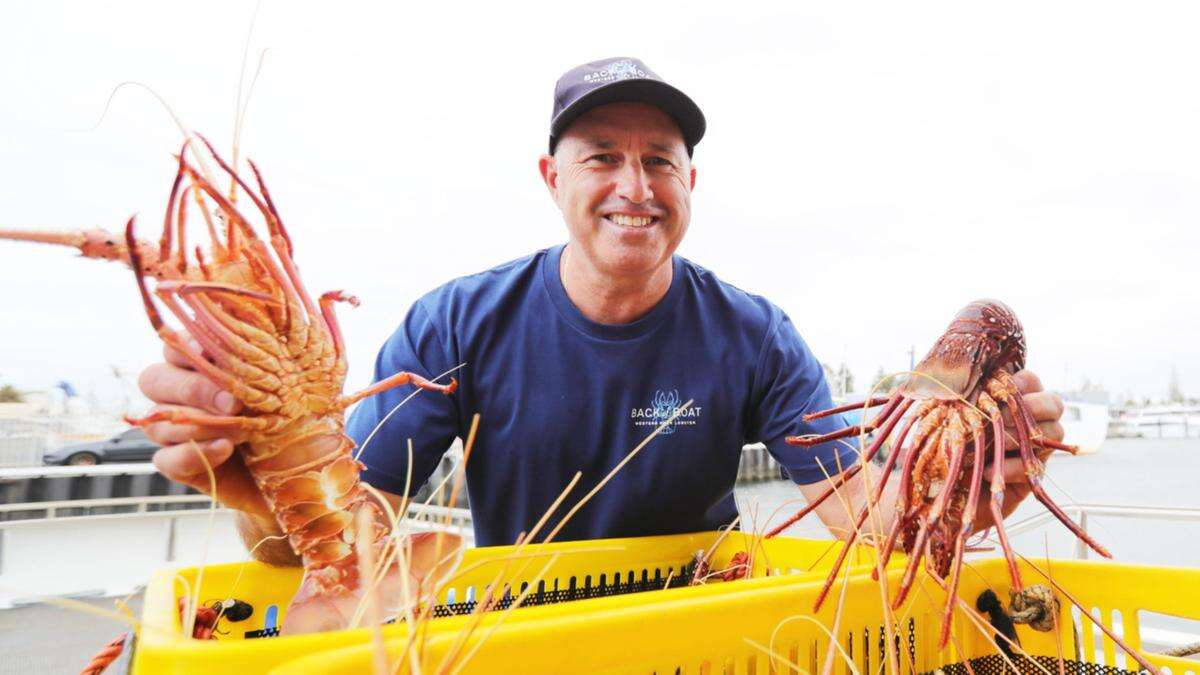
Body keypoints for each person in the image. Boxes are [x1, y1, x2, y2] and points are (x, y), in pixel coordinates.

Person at [138, 57, 1065, 562]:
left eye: (660, 159)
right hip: (518, 622)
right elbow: (348, 531)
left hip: (701, 612)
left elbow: (867, 512)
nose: (635, 185)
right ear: (552, 177)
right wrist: (256, 492)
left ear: (690, 181)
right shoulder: (455, 323)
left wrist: (974, 493)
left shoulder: (756, 333)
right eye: (601, 157)